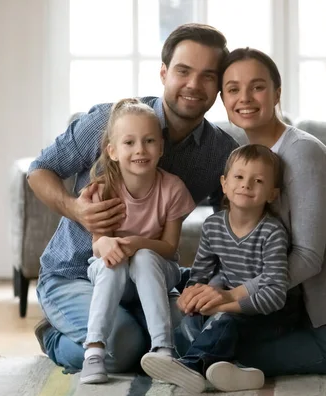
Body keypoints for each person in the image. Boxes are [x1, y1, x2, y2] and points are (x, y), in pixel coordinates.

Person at [27, 23, 238, 373]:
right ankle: (55, 335)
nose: (193, 85)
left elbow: (232, 227)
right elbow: (40, 170)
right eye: (183, 71)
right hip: (76, 273)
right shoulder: (108, 123)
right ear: (164, 73)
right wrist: (77, 210)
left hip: (147, 277)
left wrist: (217, 287)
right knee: (123, 349)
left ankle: (132, 326)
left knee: (191, 338)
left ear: (217, 86)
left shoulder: (220, 152)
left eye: (207, 76)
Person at [175, 47, 326, 382]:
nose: (246, 98)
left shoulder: (303, 153)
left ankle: (225, 369)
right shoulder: (248, 160)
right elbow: (231, 250)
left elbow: (309, 258)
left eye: (257, 87)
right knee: (186, 318)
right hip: (275, 310)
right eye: (234, 89)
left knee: (197, 346)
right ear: (223, 99)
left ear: (277, 93)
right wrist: (207, 291)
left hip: (324, 328)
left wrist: (228, 297)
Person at [141, 144, 300, 393]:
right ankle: (230, 371)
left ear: (272, 193)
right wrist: (192, 296)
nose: (246, 185)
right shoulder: (213, 225)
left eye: (257, 180)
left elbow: (276, 294)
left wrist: (224, 306)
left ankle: (191, 367)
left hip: (271, 314)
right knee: (191, 320)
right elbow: (201, 274)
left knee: (223, 321)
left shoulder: (273, 233)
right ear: (224, 184)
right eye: (238, 177)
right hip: (229, 304)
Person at [79, 98, 195, 384]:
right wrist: (106, 244)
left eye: (149, 141)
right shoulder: (104, 189)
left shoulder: (173, 188)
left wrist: (136, 243)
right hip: (113, 272)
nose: (140, 150)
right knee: (110, 262)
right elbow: (98, 243)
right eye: (129, 143)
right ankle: (94, 351)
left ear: (161, 147)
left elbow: (169, 248)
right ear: (113, 151)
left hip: (156, 272)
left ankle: (163, 350)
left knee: (142, 258)